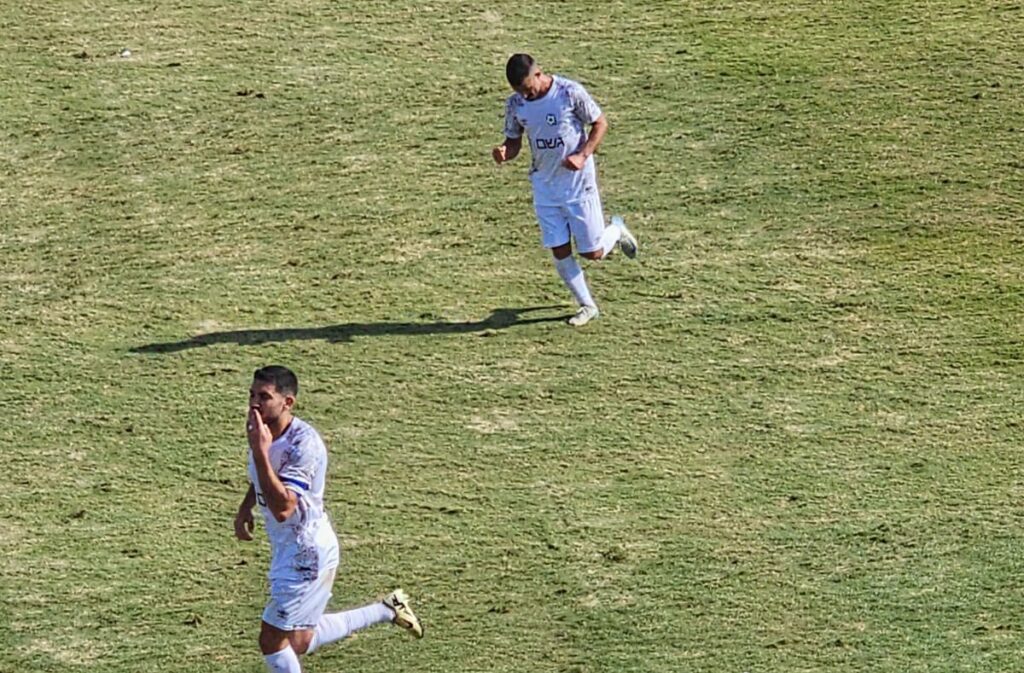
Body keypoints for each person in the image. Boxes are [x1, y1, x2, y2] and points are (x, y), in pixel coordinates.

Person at [234, 365, 422, 673]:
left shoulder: (303, 445)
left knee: (271, 640)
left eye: (264, 397)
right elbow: (267, 475)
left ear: (287, 402)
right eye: (252, 395)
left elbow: (283, 508)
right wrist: (246, 505)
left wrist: (259, 451)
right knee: (298, 642)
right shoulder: (265, 431)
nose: (254, 403)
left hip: (306, 555)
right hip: (288, 548)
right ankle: (387, 609)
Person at [492, 53, 639, 327]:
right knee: (559, 250)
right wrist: (504, 152)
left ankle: (616, 231)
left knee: (592, 253)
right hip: (545, 186)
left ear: (538, 74)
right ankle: (587, 305)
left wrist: (582, 155)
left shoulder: (569, 92)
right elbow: (513, 142)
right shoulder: (515, 104)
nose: (526, 95)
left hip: (578, 184)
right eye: (519, 91)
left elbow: (600, 122)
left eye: (528, 89)